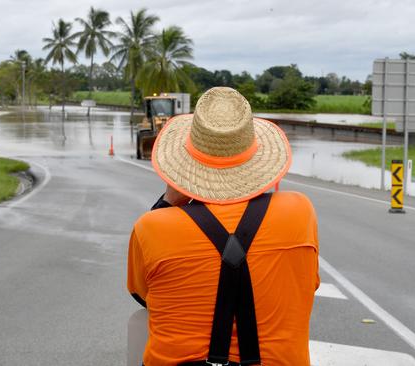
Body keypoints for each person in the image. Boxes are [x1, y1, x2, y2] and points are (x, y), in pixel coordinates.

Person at [127, 87, 319, 365]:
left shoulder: (151, 227)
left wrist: (170, 200)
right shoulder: (300, 212)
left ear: (184, 167)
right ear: (259, 163)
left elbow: (144, 295)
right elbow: (306, 285)